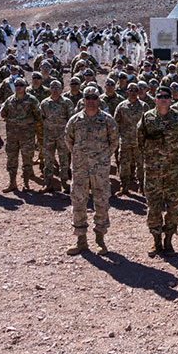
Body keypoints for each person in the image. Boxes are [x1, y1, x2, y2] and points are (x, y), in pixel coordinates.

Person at [64, 86, 120, 256]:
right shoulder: (75, 120)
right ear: (83, 100)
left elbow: (114, 142)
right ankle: (81, 241)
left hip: (100, 170)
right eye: (87, 97)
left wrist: (102, 157)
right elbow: (68, 140)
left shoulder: (107, 120)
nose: (90, 100)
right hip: (80, 169)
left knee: (101, 202)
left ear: (99, 99)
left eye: (94, 97)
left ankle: (100, 240)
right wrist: (80, 157)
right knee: (79, 203)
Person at [137, 88, 178, 257]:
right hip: (152, 171)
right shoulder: (147, 118)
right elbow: (140, 139)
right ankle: (156, 240)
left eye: (167, 97)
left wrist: (176, 158)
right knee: (153, 207)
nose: (164, 99)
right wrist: (150, 158)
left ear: (170, 99)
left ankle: (169, 240)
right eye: (160, 96)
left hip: (172, 171)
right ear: (155, 99)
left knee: (173, 206)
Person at [0, 78, 42, 192]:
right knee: (11, 159)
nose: (18, 87)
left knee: (27, 159)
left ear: (25, 87)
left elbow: (38, 115)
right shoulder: (9, 100)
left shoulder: (32, 100)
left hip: (27, 135)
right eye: (16, 85)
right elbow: (3, 113)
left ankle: (26, 183)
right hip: (12, 135)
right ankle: (12, 183)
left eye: (21, 85)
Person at [40, 80, 74, 193]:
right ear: (49, 89)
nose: (55, 90)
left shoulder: (67, 102)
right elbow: (42, 118)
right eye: (53, 87)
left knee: (64, 161)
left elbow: (71, 120)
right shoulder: (44, 103)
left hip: (62, 136)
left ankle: (64, 183)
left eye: (57, 88)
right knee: (48, 161)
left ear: (61, 89)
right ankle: (48, 183)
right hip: (48, 136)